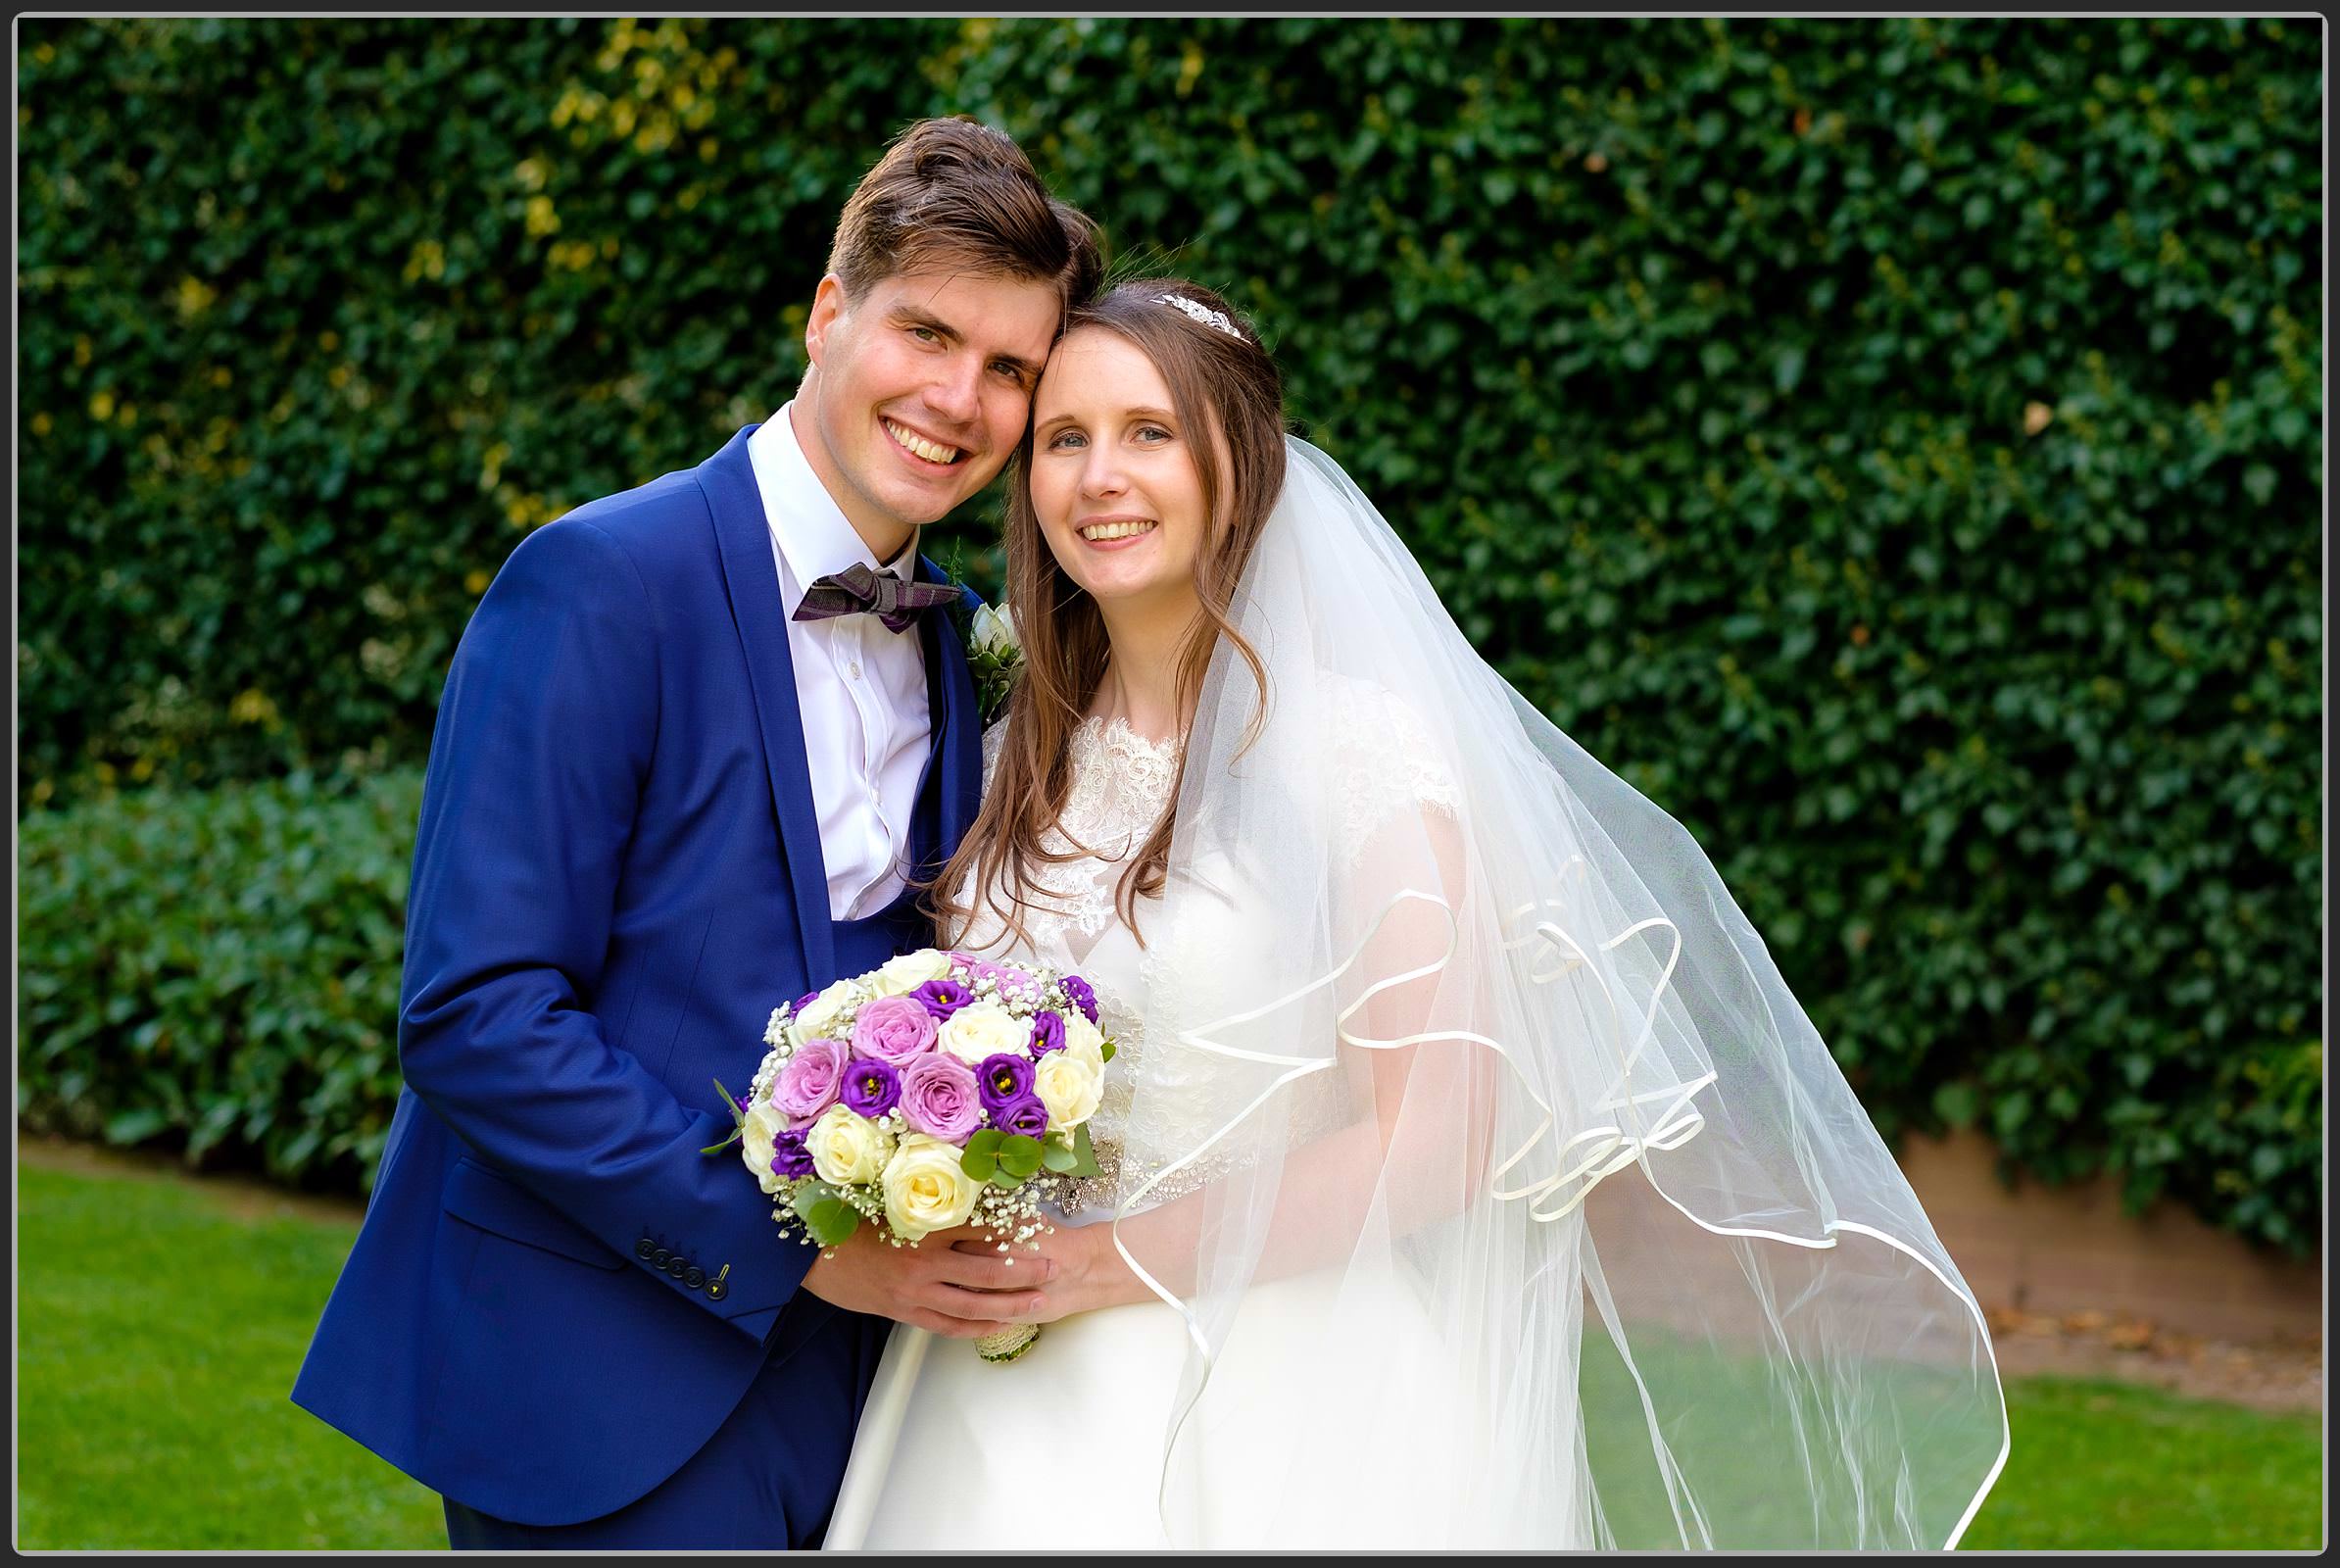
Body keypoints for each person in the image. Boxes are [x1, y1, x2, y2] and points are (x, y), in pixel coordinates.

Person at [824, 279, 2010, 1549]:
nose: (1100, 476)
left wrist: (1101, 1267)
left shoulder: (1359, 760)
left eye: (1150, 432)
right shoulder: (1006, 752)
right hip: (989, 1396)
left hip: (1289, 1396)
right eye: (1066, 438)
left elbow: (1442, 1129)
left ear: (1241, 464)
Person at [290, 118, 1100, 1549]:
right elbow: (477, 1013)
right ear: (828, 313)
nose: (959, 399)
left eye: (1010, 371)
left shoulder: (965, 641)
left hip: (869, 1404)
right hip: (596, 1371)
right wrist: (795, 1247)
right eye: (926, 332)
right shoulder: (601, 578)